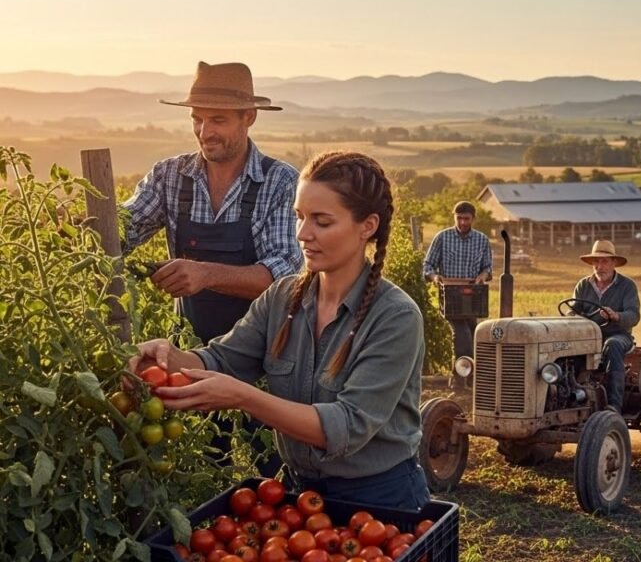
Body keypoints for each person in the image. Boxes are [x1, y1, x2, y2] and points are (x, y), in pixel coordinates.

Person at [131, 151, 430, 509]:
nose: (303, 234)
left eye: (322, 221)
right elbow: (221, 359)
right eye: (300, 217)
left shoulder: (395, 317)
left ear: (367, 226)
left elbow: (346, 426)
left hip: (381, 499)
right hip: (300, 494)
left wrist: (243, 397)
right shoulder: (283, 298)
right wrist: (168, 359)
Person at [121, 61, 301, 476]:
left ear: (249, 118)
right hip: (193, 357)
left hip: (268, 358)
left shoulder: (279, 182)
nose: (205, 132)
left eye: (217, 120)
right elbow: (119, 231)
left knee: (277, 469)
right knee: (202, 465)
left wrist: (204, 274)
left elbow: (285, 276)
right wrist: (73, 224)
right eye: (197, 120)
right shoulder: (170, 177)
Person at [571, 240, 640, 413]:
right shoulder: (583, 285)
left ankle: (614, 405)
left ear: (614, 263)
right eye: (596, 262)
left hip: (618, 335)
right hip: (588, 337)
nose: (599, 266)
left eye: (604, 261)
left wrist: (616, 316)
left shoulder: (627, 286)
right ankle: (572, 396)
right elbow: (572, 312)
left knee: (612, 345)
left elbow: (633, 315)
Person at [422, 201, 493, 358]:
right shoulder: (442, 237)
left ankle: (473, 374)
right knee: (462, 334)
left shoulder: (482, 240)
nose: (462, 222)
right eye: (459, 218)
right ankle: (459, 378)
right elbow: (427, 266)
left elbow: (487, 268)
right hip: (450, 298)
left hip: (472, 298)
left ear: (473, 219)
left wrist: (483, 276)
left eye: (466, 218)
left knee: (475, 335)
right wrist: (434, 277)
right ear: (454, 217)